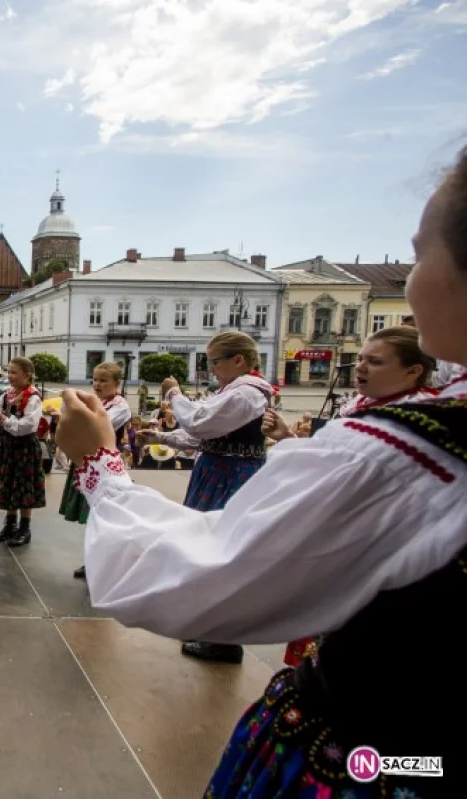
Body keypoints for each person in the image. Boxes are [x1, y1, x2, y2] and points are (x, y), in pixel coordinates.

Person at [55, 145, 467, 798]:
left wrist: (100, 461)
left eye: (421, 255)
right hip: (421, 755)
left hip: (373, 758)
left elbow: (216, 565)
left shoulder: (410, 451)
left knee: (240, 541)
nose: (412, 280)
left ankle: (220, 646)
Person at [263, 325, 438, 668]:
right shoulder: (362, 406)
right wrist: (286, 437)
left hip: (383, 546)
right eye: (359, 358)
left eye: (374, 361)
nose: (359, 367)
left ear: (413, 371)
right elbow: (331, 460)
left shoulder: (419, 419)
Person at [135, 332, 273, 664]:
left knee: (222, 551)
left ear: (237, 360)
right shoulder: (238, 392)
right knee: (208, 546)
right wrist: (162, 436)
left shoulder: (247, 394)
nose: (210, 369)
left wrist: (173, 394)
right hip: (220, 471)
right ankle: (210, 626)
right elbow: (208, 433)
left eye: (213, 362)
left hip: (231, 477)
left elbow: (200, 422)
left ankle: (223, 638)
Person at [62, 362, 131, 580]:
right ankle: (92, 559)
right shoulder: (96, 402)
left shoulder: (120, 406)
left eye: (103, 380)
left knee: (102, 514)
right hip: (89, 462)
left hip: (105, 468)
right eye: (95, 379)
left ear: (116, 384)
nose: (97, 384)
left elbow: (97, 427)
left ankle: (104, 562)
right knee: (91, 515)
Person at [0, 357, 44, 547]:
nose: (10, 376)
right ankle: (10, 525)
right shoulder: (6, 395)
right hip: (6, 445)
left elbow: (28, 426)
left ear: (27, 375)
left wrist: (4, 421)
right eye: (9, 371)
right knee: (9, 485)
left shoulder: (33, 398)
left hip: (24, 447)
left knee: (23, 488)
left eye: (14, 372)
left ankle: (25, 529)